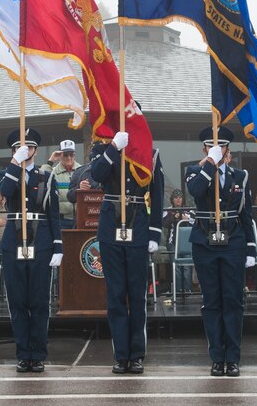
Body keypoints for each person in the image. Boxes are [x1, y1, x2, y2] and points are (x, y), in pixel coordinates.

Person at [90, 130, 164, 375]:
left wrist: (154, 233)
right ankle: (121, 355)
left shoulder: (150, 154)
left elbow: (157, 193)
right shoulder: (103, 150)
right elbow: (97, 176)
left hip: (138, 226)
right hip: (111, 227)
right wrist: (113, 147)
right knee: (116, 295)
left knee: (137, 294)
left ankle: (137, 354)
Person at [185, 127, 256, 377]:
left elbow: (246, 214)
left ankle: (233, 358)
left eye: (222, 146)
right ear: (204, 148)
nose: (217, 149)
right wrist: (210, 164)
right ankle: (217, 357)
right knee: (212, 301)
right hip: (205, 242)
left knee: (234, 301)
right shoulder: (195, 172)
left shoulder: (240, 176)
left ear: (228, 148)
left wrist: (251, 247)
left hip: (233, 242)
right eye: (211, 146)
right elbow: (195, 192)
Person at [0, 128, 62, 373]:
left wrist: (58, 246)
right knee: (17, 301)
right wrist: (16, 162)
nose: (25, 151)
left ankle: (38, 354)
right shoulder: (7, 173)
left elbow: (53, 214)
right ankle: (23, 354)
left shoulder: (46, 177)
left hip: (41, 240)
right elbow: (5, 192)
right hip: (13, 240)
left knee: (38, 301)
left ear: (35, 150)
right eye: (18, 148)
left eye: (28, 148)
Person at [42, 140, 82, 229]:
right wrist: (50, 161)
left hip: (80, 218)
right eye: (65, 155)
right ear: (60, 156)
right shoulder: (54, 172)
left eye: (71, 155)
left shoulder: (82, 171)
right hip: (61, 220)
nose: (69, 158)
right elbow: (41, 178)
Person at [163, 190, 192, 295]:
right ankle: (177, 291)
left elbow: (196, 222)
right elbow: (164, 223)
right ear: (172, 200)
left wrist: (187, 218)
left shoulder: (189, 209)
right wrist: (173, 217)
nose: (178, 199)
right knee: (176, 267)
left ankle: (188, 291)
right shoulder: (168, 210)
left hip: (187, 243)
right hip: (172, 242)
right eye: (176, 197)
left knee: (187, 267)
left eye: (180, 197)